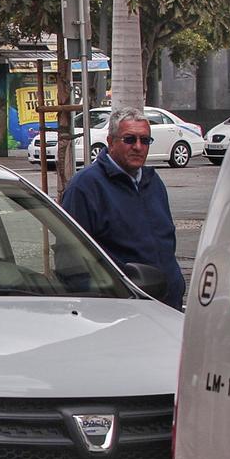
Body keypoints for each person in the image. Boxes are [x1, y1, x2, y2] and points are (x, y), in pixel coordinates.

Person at [60, 107, 186, 309]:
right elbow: (71, 260)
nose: (138, 147)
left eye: (144, 140)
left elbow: (165, 241)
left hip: (168, 307)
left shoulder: (153, 182)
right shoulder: (85, 187)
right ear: (110, 142)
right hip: (122, 311)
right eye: (129, 139)